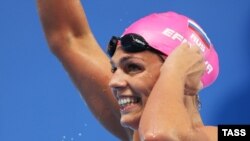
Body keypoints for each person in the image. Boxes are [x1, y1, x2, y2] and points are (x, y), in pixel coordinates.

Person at [37, 0, 219, 141]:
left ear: (187, 73)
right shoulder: (137, 132)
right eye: (115, 69)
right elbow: (70, 39)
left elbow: (158, 136)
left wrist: (176, 69)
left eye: (133, 67)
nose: (113, 82)